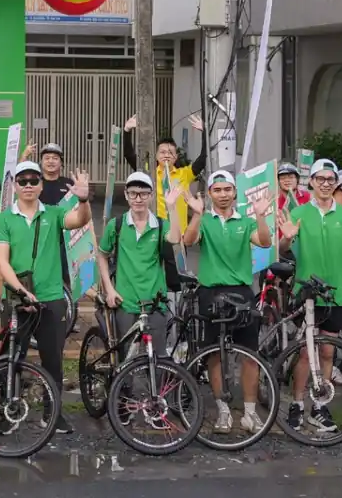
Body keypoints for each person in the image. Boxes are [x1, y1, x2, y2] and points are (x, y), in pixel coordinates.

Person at [0, 158, 91, 434]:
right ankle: (9, 411)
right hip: (17, 299)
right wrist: (22, 292)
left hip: (51, 297)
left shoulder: (55, 213)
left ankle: (52, 412)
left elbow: (80, 220)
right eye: (22, 181)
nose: (28, 185)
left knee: (53, 358)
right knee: (13, 355)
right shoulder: (5, 218)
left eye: (33, 180)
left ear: (41, 184)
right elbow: (2, 262)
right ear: (15, 185)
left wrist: (83, 200)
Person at [278, 157, 342, 434]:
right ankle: (297, 404)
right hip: (307, 292)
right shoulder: (298, 213)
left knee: (328, 351)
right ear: (311, 182)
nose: (325, 184)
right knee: (307, 354)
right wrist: (286, 237)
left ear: (336, 184)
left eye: (330, 180)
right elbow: (284, 247)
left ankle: (320, 406)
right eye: (320, 179)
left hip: (339, 294)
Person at [178, 170, 273, 434]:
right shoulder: (205, 220)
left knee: (249, 355)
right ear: (209, 194)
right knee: (214, 356)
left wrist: (261, 216)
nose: (223, 195)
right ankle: (222, 411)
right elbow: (188, 241)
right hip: (211, 293)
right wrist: (196, 214)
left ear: (235, 193)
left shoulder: (245, 221)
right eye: (217, 190)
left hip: (242, 292)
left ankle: (250, 413)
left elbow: (265, 243)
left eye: (227, 190)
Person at [96, 172, 177, 358]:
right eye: (133, 193)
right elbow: (102, 255)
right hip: (126, 302)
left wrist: (171, 208)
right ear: (126, 195)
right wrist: (109, 289)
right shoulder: (116, 225)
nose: (138, 198)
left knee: (158, 359)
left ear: (150, 195)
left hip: (155, 303)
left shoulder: (160, 225)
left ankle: (152, 389)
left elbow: (174, 237)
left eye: (143, 193)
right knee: (126, 360)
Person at [122, 113, 203, 224]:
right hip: (156, 232)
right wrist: (127, 131)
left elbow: (203, 159)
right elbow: (129, 155)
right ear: (156, 155)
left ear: (176, 157)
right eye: (163, 152)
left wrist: (204, 133)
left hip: (179, 235)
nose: (166, 155)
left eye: (170, 153)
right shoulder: (149, 173)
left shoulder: (185, 174)